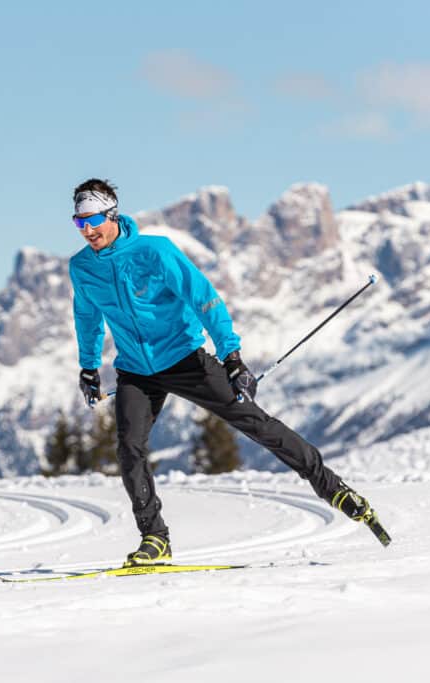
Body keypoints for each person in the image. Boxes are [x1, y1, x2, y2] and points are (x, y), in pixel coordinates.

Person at [68, 178, 374, 567]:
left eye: (92, 220)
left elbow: (204, 298)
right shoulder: (81, 268)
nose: (87, 230)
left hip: (184, 358)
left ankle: (334, 489)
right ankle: (154, 538)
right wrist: (89, 367)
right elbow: (87, 317)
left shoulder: (154, 252)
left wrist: (232, 358)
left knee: (255, 423)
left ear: (111, 214)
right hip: (134, 370)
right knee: (129, 449)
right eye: (79, 223)